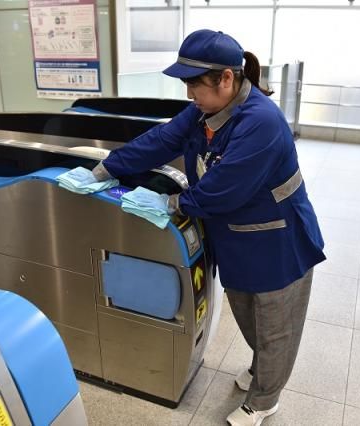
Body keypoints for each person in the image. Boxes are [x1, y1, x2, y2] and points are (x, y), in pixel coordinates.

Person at [92, 29, 325, 426]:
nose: (189, 94)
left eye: (194, 84)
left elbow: (223, 189)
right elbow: (162, 139)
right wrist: (108, 166)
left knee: (275, 327)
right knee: (248, 315)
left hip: (278, 240)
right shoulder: (205, 111)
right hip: (236, 237)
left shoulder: (261, 122)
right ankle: (261, 368)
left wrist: (172, 203)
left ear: (226, 79)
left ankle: (264, 400)